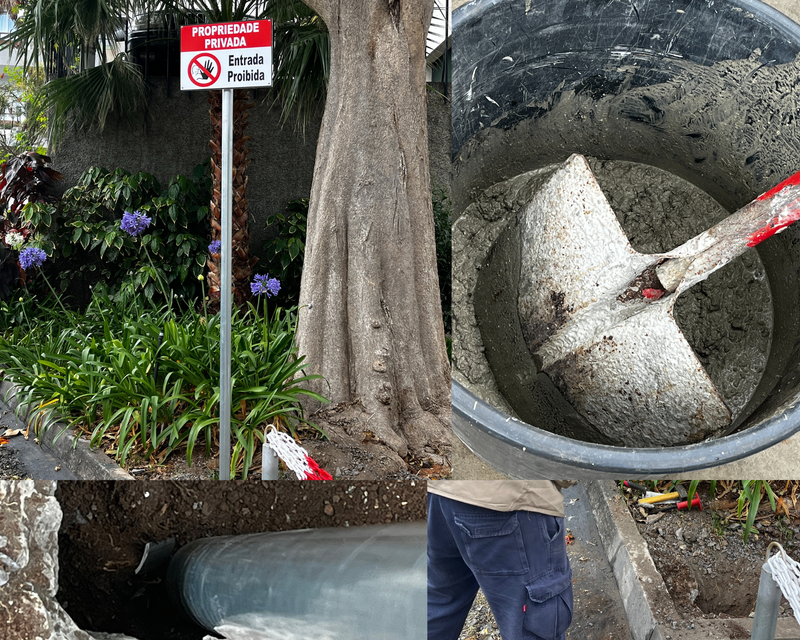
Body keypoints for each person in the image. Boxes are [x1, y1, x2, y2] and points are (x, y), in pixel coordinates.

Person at [427, 480, 575, 640]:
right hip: (509, 502)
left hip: (439, 494)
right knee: (536, 620)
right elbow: (569, 461)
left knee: (440, 601)